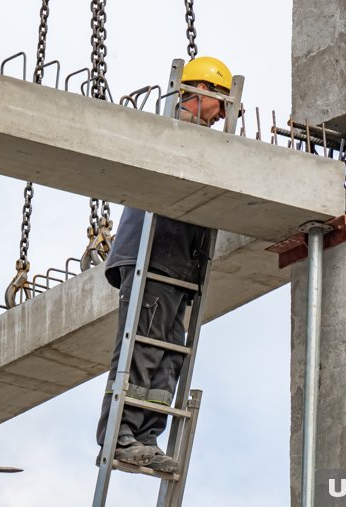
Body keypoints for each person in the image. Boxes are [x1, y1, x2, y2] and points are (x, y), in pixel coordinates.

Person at [96, 56, 233, 473]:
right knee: (142, 348)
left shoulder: (202, 145)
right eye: (221, 101)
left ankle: (147, 437)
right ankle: (120, 437)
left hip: (178, 267)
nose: (225, 114)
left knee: (169, 356)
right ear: (197, 91)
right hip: (151, 256)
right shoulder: (170, 133)